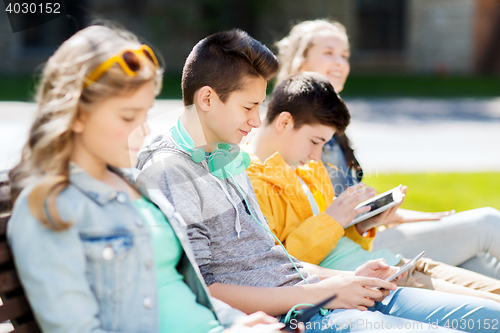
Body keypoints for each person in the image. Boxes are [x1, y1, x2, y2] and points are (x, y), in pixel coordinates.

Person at [137, 28, 500, 333]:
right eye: (248, 107)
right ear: (207, 99)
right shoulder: (172, 169)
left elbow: (275, 260)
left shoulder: (229, 154)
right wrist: (325, 293)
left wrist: (345, 278)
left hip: (322, 293)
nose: (255, 121)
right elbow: (205, 288)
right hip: (306, 314)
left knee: (491, 318)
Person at [7, 25, 286, 333]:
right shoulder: (51, 211)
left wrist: (239, 321)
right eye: (128, 117)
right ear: (77, 114)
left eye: (144, 115)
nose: (143, 131)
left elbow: (178, 286)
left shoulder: (134, 186)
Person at [245, 71, 500, 303]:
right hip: (377, 283)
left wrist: (362, 225)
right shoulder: (250, 180)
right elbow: (281, 267)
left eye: (323, 144)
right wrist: (332, 219)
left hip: (396, 264)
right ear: (284, 123)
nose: (316, 154)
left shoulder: (308, 168)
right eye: (314, 141)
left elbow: (336, 241)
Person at [275, 19, 500, 279]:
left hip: (363, 234)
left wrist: (404, 215)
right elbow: (310, 219)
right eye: (328, 53)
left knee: (479, 264)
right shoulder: (288, 129)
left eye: (345, 55)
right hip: (341, 252)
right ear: (300, 61)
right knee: (486, 223)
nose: (340, 62)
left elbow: (349, 207)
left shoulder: (332, 127)